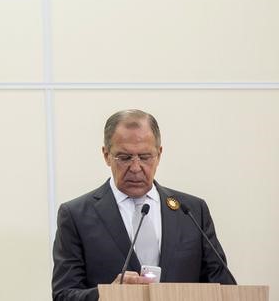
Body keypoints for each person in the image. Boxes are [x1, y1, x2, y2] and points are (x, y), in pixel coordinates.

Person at [52, 109, 234, 301]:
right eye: (124, 157)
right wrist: (107, 295)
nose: (136, 167)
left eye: (145, 157)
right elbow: (63, 294)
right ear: (106, 155)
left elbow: (223, 286)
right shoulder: (76, 215)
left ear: (159, 154)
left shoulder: (192, 211)